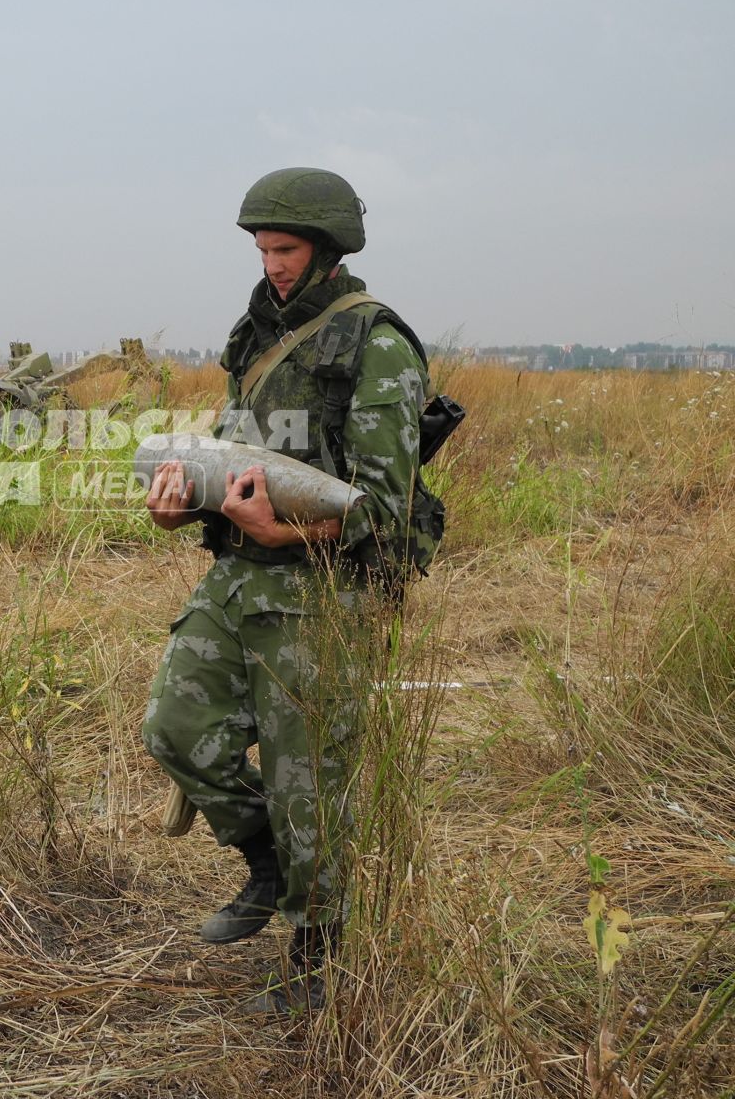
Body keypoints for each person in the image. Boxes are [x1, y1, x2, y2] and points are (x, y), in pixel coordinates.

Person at [142, 168, 440, 1013]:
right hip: (236, 581)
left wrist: (290, 533)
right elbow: (238, 460)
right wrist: (178, 504)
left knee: (305, 781)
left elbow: (387, 510)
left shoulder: (374, 343)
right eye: (263, 249)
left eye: (286, 248)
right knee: (175, 729)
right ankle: (266, 863)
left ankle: (316, 960)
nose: (272, 264)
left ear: (328, 248)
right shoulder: (254, 333)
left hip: (322, 599)